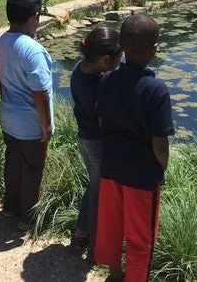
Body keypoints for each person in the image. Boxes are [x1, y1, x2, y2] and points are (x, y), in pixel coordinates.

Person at [94, 14, 174, 282]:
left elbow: (103, 121)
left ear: (122, 47)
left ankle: (115, 273)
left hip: (111, 166)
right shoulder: (156, 90)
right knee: (141, 237)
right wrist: (162, 166)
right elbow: (160, 143)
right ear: (154, 49)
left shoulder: (107, 80)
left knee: (111, 226)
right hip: (142, 175)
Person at [0, 0, 53, 231]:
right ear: (34, 16)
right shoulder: (34, 51)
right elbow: (40, 92)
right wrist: (47, 124)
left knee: (14, 163)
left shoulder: (1, 41)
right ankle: (28, 218)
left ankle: (10, 206)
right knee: (32, 171)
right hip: (31, 124)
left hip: (9, 119)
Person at [69, 26, 122, 258]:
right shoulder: (100, 85)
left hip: (83, 139)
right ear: (105, 59)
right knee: (99, 197)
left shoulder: (78, 71)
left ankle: (80, 233)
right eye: (117, 61)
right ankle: (95, 250)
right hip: (97, 144)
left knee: (94, 187)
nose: (119, 65)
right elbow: (104, 122)